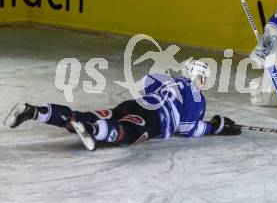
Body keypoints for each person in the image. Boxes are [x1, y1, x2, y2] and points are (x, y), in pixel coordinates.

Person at [3, 60, 241, 150]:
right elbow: (188, 128)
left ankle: (35, 111)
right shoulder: (197, 96)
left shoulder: (165, 79)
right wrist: (213, 127)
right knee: (129, 133)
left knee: (82, 115)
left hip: (133, 104)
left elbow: (144, 82)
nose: (204, 83)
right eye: (203, 78)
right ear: (199, 77)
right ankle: (95, 130)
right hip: (154, 119)